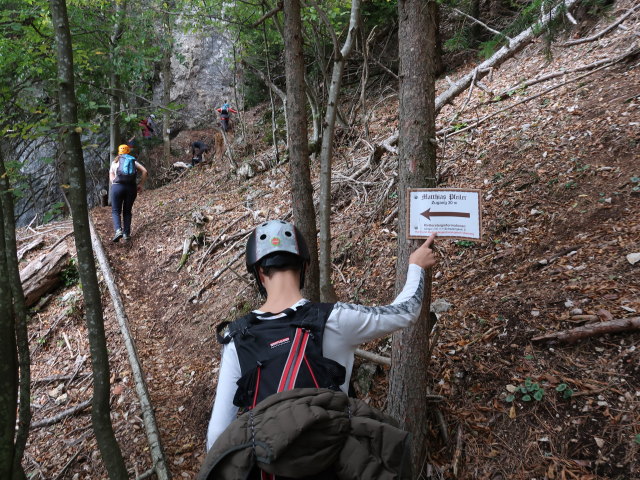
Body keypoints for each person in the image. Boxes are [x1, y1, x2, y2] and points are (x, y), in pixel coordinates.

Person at [204, 220, 437, 474]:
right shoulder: (336, 319)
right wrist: (416, 266)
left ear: (259, 273)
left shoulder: (236, 337)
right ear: (304, 266)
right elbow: (405, 312)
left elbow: (218, 433)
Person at [109, 144, 148, 242]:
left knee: (115, 211)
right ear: (128, 152)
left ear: (119, 152)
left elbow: (111, 175)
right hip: (131, 188)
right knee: (127, 212)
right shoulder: (132, 161)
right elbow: (145, 171)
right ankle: (126, 234)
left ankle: (118, 230)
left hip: (117, 187)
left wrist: (114, 183)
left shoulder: (115, 162)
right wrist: (141, 184)